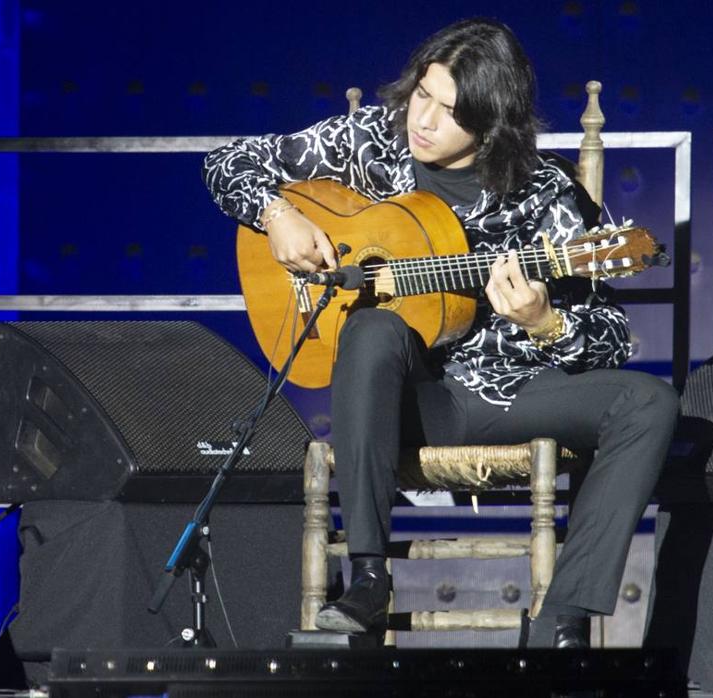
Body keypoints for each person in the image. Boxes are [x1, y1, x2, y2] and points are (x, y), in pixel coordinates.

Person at [202, 17, 678, 648]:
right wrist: (279, 213)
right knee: (372, 327)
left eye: (449, 111)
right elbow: (227, 161)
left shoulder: (544, 195)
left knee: (649, 402)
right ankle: (369, 578)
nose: (423, 120)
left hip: (499, 395)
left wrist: (546, 322)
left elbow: (609, 338)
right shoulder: (371, 140)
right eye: (422, 94)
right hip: (393, 399)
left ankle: (563, 616)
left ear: (492, 122)